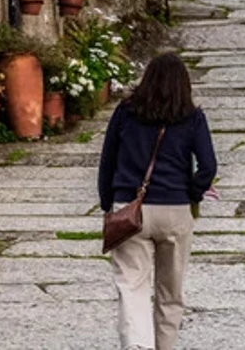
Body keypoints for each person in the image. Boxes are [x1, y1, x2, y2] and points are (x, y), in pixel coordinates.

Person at [97, 51, 217, 350]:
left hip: (131, 209)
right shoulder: (192, 117)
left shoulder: (126, 112)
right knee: (170, 291)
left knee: (132, 285)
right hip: (175, 209)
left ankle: (138, 345)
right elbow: (209, 166)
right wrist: (192, 192)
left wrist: (107, 202)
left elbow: (108, 160)